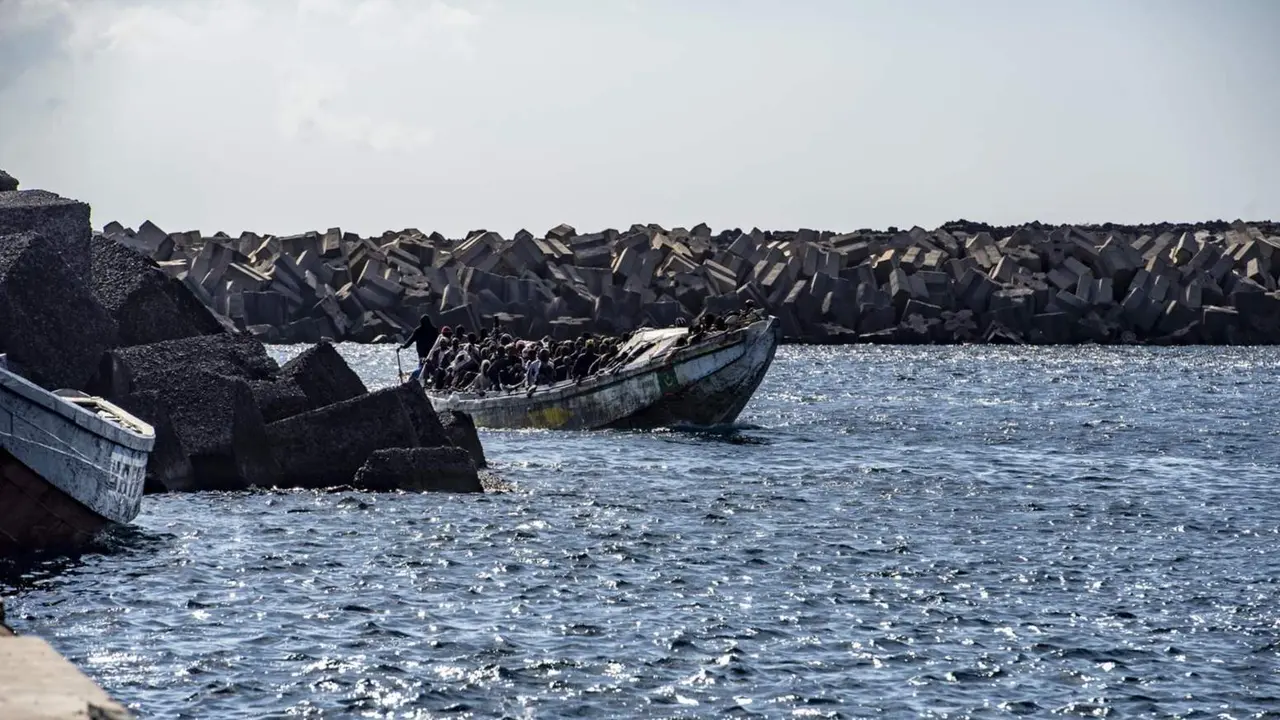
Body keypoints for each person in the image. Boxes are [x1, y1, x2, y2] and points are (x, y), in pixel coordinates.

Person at [400, 315, 438, 382]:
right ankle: (429, 381)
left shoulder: (418, 330)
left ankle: (423, 381)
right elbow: (439, 342)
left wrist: (403, 347)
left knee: (422, 367)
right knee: (429, 367)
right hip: (431, 353)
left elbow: (410, 341)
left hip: (422, 354)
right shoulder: (434, 330)